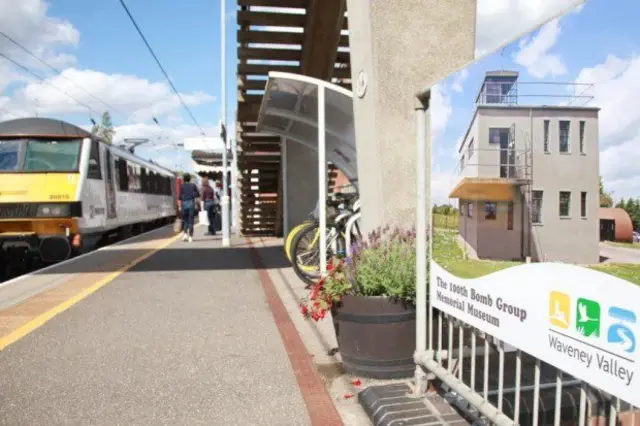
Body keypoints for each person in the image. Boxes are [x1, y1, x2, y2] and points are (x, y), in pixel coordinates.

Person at [178, 173, 199, 242]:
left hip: (184, 204)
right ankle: (190, 236)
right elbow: (197, 194)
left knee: (185, 220)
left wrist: (179, 207)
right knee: (191, 221)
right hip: (191, 204)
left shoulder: (182, 186)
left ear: (184, 179)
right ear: (189, 179)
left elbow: (180, 197)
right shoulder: (193, 185)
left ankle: (185, 234)